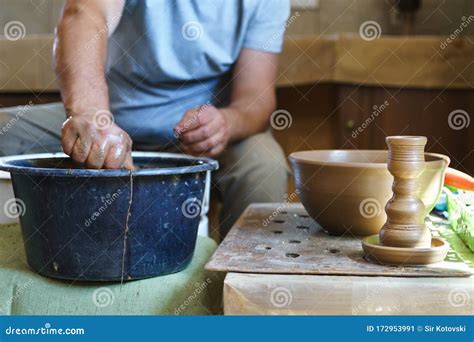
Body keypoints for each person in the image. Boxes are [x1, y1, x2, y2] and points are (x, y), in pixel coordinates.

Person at [0, 0, 290, 236]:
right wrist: (90, 114)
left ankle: (236, 292)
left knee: (265, 165)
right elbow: (83, 15)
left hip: (198, 136)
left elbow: (256, 97)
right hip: (111, 118)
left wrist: (225, 123)